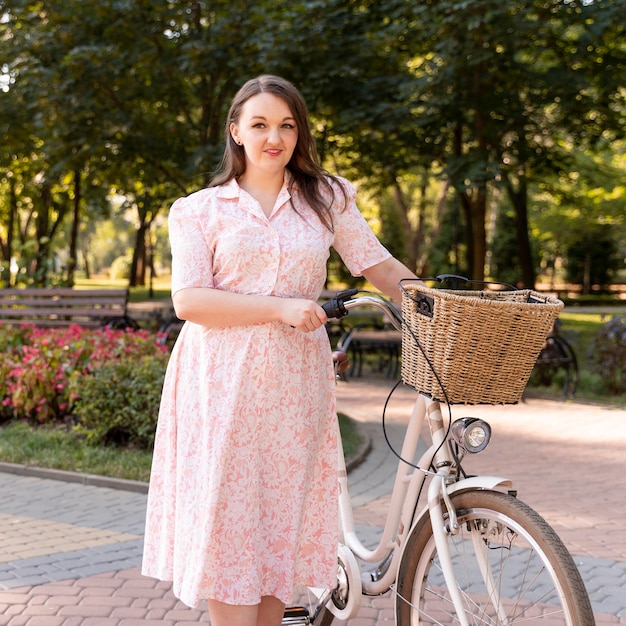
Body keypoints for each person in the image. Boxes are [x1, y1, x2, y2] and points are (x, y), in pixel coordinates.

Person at [141, 74, 416, 626]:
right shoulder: (198, 210)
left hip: (295, 384)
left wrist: (437, 304)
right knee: (230, 522)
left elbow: (379, 266)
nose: (276, 137)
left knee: (277, 527)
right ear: (235, 131)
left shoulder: (326, 198)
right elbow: (190, 301)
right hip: (218, 384)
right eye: (261, 124)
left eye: (287, 125)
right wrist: (280, 308)